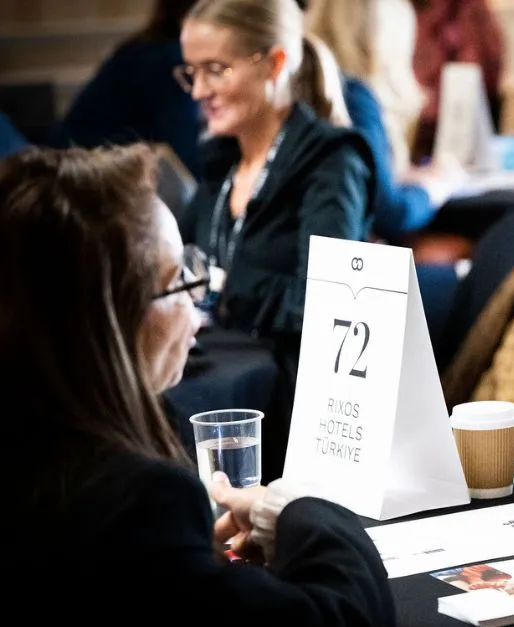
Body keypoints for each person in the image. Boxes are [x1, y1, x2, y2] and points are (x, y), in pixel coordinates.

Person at [5, 145, 394, 624]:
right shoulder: (139, 501)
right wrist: (300, 511)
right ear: (111, 319)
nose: (198, 295)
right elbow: (344, 616)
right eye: (178, 279)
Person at [176, 0, 376, 481]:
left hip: (293, 399)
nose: (199, 91)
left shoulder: (331, 162)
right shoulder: (221, 163)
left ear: (274, 63)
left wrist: (226, 288)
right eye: (191, 73)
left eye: (216, 70)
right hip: (222, 370)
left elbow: (327, 305)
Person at [305, 0, 466, 240]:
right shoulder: (355, 97)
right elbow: (390, 213)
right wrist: (437, 187)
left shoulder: (308, 89)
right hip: (349, 259)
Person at [52, 0, 204, 175]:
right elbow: (183, 153)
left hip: (74, 162)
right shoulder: (168, 59)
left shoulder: (144, 46)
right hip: (85, 171)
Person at [410, 0, 506, 162]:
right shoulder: (410, 13)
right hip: (425, 123)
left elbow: (488, 60)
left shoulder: (471, 9)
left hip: (468, 114)